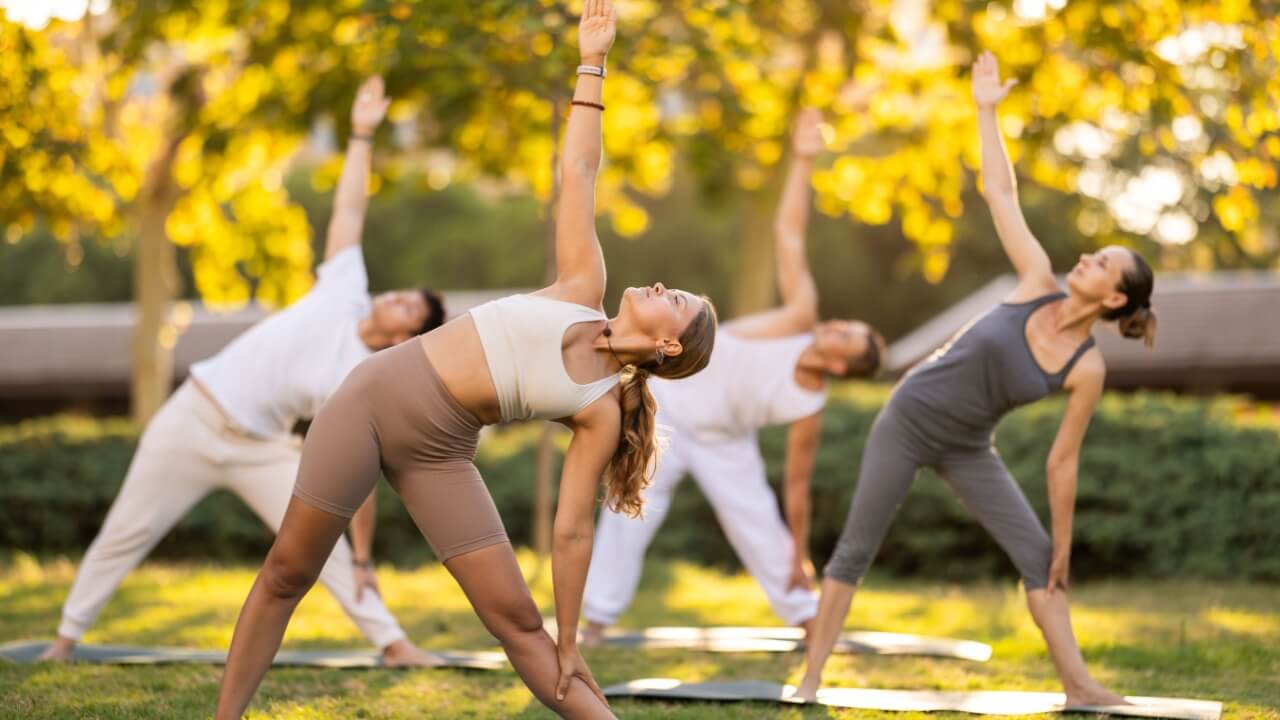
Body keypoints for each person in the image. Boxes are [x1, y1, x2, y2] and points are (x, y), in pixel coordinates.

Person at [213, 3, 718, 718]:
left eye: (680, 302)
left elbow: (572, 531)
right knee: (287, 572)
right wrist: (592, 60)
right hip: (369, 403)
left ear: (669, 346)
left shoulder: (602, 411)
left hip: (439, 456)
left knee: (516, 621)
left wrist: (571, 638)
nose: (665, 286)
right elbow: (579, 170)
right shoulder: (581, 287)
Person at [37, 77, 445, 667]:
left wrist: (362, 556)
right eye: (402, 293)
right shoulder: (344, 289)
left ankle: (395, 644)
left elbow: (356, 476)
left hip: (261, 450)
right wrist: (360, 134)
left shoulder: (364, 379)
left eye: (408, 306)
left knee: (317, 544)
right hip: (194, 417)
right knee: (126, 531)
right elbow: (350, 208)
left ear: (407, 335)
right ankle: (64, 641)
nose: (394, 298)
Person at [792, 51, 1156, 705]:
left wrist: (1062, 548)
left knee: (1040, 560)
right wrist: (986, 109)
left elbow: (1062, 463)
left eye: (1102, 260)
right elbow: (1001, 193)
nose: (1086, 256)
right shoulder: (1036, 281)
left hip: (968, 446)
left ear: (1112, 298)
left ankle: (1079, 686)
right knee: (855, 548)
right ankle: (810, 681)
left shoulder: (1087, 368)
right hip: (907, 420)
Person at [582, 108, 884, 644]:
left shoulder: (808, 404)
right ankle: (596, 623)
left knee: (760, 526)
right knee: (627, 513)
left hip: (726, 443)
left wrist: (799, 554)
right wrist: (804, 160)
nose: (832, 326)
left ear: (839, 366)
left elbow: (795, 488)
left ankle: (811, 621)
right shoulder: (797, 321)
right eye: (841, 324)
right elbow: (788, 232)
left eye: (844, 336)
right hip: (671, 415)